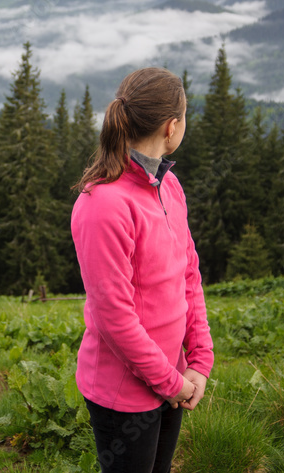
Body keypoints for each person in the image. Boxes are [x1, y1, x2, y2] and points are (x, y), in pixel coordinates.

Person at [71, 67, 214, 473]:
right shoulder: (102, 204)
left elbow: (188, 275)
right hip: (123, 395)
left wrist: (199, 360)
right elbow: (114, 317)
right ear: (171, 127)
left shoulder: (169, 186)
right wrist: (172, 382)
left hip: (171, 379)